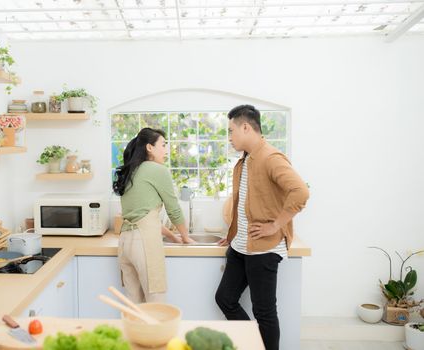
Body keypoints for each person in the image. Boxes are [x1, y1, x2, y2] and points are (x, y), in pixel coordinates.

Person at [215, 105, 309, 350]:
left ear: (246, 127)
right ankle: (253, 344)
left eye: (231, 130)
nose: (230, 137)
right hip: (240, 246)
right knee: (225, 298)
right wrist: (233, 233)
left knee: (264, 311)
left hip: (263, 249)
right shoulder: (246, 160)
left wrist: (276, 225)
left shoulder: (270, 157)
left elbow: (300, 191)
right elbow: (245, 201)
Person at [113, 127, 193, 303]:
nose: (166, 150)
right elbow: (174, 209)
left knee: (134, 305)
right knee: (156, 304)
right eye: (163, 145)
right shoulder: (157, 170)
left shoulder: (131, 171)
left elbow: (143, 218)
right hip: (144, 244)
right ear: (150, 147)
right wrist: (186, 237)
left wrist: (172, 236)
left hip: (125, 243)